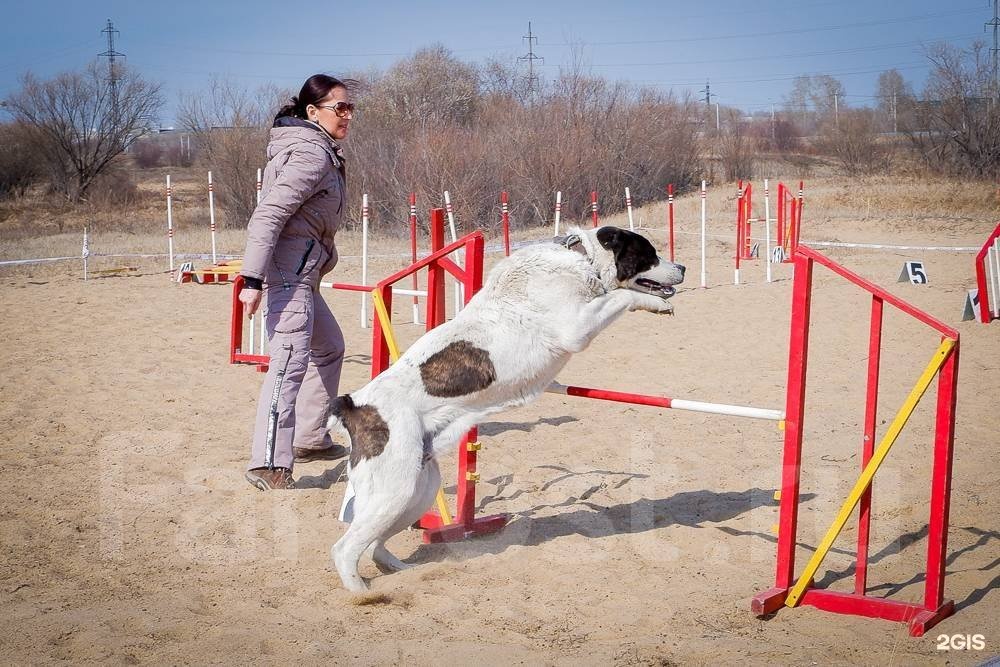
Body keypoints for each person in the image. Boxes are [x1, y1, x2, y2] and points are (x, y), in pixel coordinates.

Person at [239, 74, 355, 490]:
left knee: (330, 348)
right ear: (313, 112)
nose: (346, 115)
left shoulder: (318, 149)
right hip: (288, 274)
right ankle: (268, 463)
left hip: (302, 273)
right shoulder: (310, 155)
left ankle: (310, 437)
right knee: (288, 364)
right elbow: (268, 216)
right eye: (338, 107)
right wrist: (251, 279)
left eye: (349, 107)